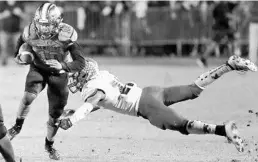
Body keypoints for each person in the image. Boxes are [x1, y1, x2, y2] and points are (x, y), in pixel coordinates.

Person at [58, 55, 257, 153]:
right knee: (193, 89)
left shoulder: (92, 88)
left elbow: (91, 102)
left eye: (75, 75)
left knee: (184, 126)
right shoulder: (101, 75)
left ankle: (224, 130)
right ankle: (229, 65)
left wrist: (72, 121)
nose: (73, 79)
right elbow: (100, 102)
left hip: (145, 106)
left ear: (85, 74)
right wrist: (75, 112)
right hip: (149, 92)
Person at [7, 2, 85, 160]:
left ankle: (49, 145)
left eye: (48, 25)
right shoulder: (30, 31)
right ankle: (17, 126)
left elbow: (80, 62)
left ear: (57, 23)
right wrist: (18, 55)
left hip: (59, 73)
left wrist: (62, 65)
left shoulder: (66, 34)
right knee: (28, 97)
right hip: (38, 68)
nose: (44, 29)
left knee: (55, 115)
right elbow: (21, 41)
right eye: (41, 25)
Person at [0, 0, 25, 66]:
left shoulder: (19, 4)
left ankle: (19, 61)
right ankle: (4, 62)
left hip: (16, 31)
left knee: (18, 47)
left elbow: (24, 16)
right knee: (4, 47)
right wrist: (3, 14)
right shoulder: (3, 4)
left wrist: (19, 13)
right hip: (4, 31)